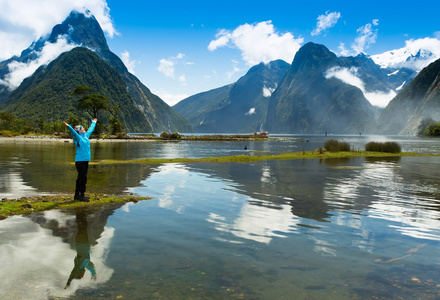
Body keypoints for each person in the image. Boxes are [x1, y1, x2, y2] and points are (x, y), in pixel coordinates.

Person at [63, 118, 97, 202]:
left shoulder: (86, 135)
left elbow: (90, 129)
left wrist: (93, 122)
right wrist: (69, 127)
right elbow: (73, 133)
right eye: (82, 128)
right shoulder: (78, 138)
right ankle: (81, 196)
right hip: (80, 161)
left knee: (80, 178)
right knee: (83, 178)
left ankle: (76, 195)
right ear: (79, 131)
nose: (84, 128)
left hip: (85, 160)